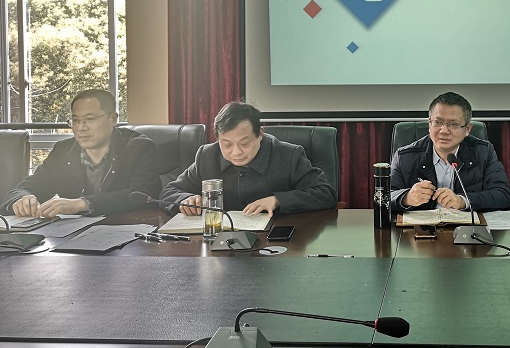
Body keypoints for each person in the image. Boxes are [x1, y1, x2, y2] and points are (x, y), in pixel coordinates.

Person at [0, 89, 160, 217]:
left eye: (90, 119)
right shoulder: (63, 150)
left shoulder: (138, 147)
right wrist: (22, 199)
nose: (81, 128)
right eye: (76, 120)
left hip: (128, 232)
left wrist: (83, 203)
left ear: (113, 119)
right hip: (74, 236)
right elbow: (24, 188)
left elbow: (144, 194)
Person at [160, 102, 336, 216]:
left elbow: (325, 193)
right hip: (218, 244)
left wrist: (278, 201)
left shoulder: (288, 155)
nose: (236, 152)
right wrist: (185, 199)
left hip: (274, 245)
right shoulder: (206, 155)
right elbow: (169, 191)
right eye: (227, 144)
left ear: (260, 134)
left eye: (244, 143)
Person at [390, 91, 510, 212]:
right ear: (429, 124)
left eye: (453, 124)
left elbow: (503, 195)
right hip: (421, 225)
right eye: (438, 122)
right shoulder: (404, 156)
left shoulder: (484, 152)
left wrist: (462, 201)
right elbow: (385, 196)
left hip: (467, 224)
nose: (444, 131)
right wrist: (407, 198)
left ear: (467, 129)